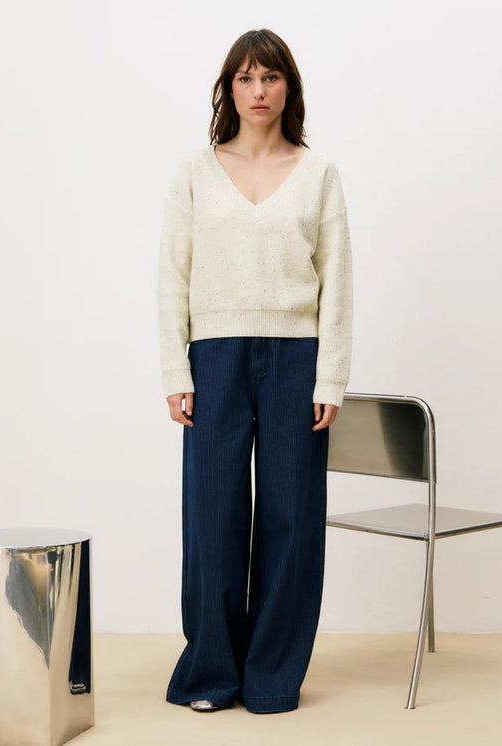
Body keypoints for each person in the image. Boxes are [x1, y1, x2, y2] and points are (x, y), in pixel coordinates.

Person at [157, 28, 353, 714]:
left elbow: (337, 283)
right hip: (214, 357)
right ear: (228, 89)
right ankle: (212, 672)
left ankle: (272, 676)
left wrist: (330, 378)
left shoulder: (318, 172)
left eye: (269, 77)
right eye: (244, 78)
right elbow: (171, 276)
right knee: (212, 515)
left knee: (291, 518)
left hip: (296, 358)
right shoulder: (195, 170)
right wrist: (175, 370)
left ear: (287, 87)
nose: (258, 91)